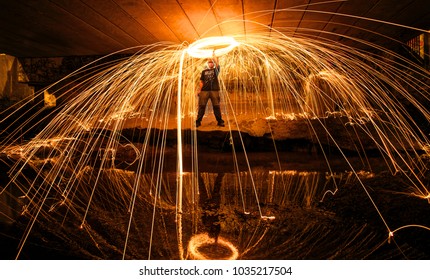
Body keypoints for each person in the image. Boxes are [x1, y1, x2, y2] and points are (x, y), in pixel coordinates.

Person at [196, 51, 225, 127]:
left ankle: (220, 121)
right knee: (202, 106)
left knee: (216, 106)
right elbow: (201, 81)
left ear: (213, 64)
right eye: (209, 63)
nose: (211, 64)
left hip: (214, 90)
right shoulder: (203, 71)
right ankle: (198, 121)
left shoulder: (216, 71)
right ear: (208, 64)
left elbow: (218, 65)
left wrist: (214, 57)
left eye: (212, 63)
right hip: (204, 91)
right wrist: (199, 90)